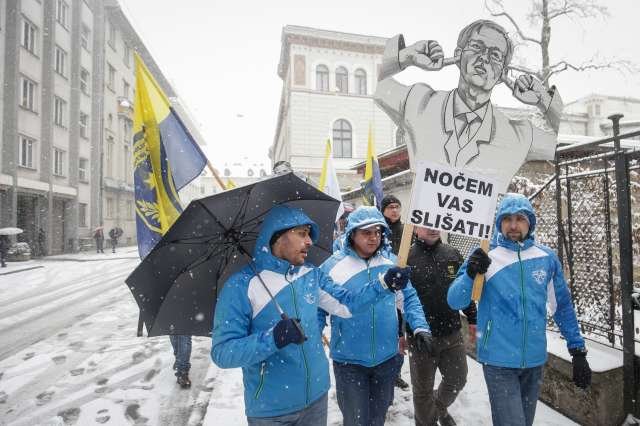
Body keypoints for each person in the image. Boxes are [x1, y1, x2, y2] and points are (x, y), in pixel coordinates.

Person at [211, 204, 410, 425]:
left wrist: (383, 284)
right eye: (302, 234)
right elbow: (223, 352)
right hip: (271, 409)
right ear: (278, 236)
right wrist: (272, 339)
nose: (309, 241)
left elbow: (347, 305)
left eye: (309, 235)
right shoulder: (240, 286)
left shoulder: (311, 275)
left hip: (316, 397)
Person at [448, 194, 592, 426]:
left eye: (520, 218)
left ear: (530, 222)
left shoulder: (546, 258)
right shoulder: (485, 255)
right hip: (498, 360)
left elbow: (562, 306)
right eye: (507, 219)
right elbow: (454, 301)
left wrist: (577, 351)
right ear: (499, 223)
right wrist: (469, 274)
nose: (513, 225)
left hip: (534, 360)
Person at [375, 20, 562, 193]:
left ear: (502, 74)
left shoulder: (518, 136)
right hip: (424, 227)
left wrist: (544, 100)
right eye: (476, 47)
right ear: (458, 55)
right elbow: (375, 87)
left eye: (495, 55)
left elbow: (557, 142)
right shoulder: (418, 102)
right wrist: (404, 57)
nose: (485, 58)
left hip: (480, 229)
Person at [319, 206, 433, 426]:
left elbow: (409, 298)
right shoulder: (332, 267)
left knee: (377, 418)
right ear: (352, 233)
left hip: (386, 358)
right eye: (366, 232)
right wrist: (314, 335)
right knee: (355, 420)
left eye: (378, 232)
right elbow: (319, 309)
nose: (373, 238)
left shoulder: (392, 263)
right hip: (349, 361)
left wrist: (420, 327)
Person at [407, 227, 477, 426]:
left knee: (458, 379)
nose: (433, 228)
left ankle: (437, 409)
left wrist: (472, 317)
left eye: (436, 222)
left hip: (452, 333)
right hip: (420, 337)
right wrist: (400, 333)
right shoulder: (406, 258)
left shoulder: (452, 253)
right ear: (416, 226)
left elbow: (463, 288)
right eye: (427, 223)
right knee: (422, 391)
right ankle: (426, 422)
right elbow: (399, 299)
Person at [380, 194, 410, 391]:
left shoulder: (408, 230)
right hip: (382, 286)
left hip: (404, 286)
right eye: (390, 207)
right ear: (383, 210)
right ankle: (383, 371)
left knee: (401, 332)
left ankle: (396, 373)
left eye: (397, 206)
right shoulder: (378, 230)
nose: (394, 210)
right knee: (386, 330)